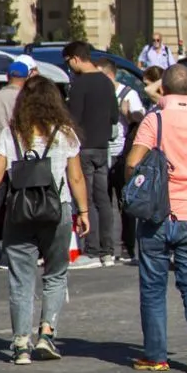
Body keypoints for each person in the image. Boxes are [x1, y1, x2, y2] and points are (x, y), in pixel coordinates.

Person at [123, 64, 187, 371]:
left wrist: (136, 186)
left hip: (157, 215)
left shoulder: (154, 120)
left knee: (153, 287)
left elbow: (131, 162)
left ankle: (156, 355)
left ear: (164, 90)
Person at [0, 76, 91, 364]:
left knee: (20, 277)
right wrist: (84, 212)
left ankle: (20, 344)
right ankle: (46, 335)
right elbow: (76, 177)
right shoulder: (65, 133)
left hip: (20, 211)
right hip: (57, 210)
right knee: (55, 274)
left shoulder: (12, 133)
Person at [62, 41, 118, 269]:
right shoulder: (106, 81)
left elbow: (72, 119)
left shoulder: (79, 84)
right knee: (104, 200)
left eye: (68, 62)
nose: (69, 66)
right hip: (103, 148)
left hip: (83, 148)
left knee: (87, 200)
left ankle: (92, 250)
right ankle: (108, 251)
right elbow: (114, 117)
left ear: (76, 58)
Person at [0, 55, 34, 267]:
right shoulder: (27, 100)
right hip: (20, 162)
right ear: (26, 77)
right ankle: (11, 253)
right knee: (18, 208)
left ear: (7, 76)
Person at [100, 57, 145, 264]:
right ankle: (105, 248)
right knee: (102, 203)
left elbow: (141, 118)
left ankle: (127, 247)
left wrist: (127, 113)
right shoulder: (98, 93)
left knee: (124, 202)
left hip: (121, 154)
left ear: (109, 75)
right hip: (102, 152)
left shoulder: (129, 94)